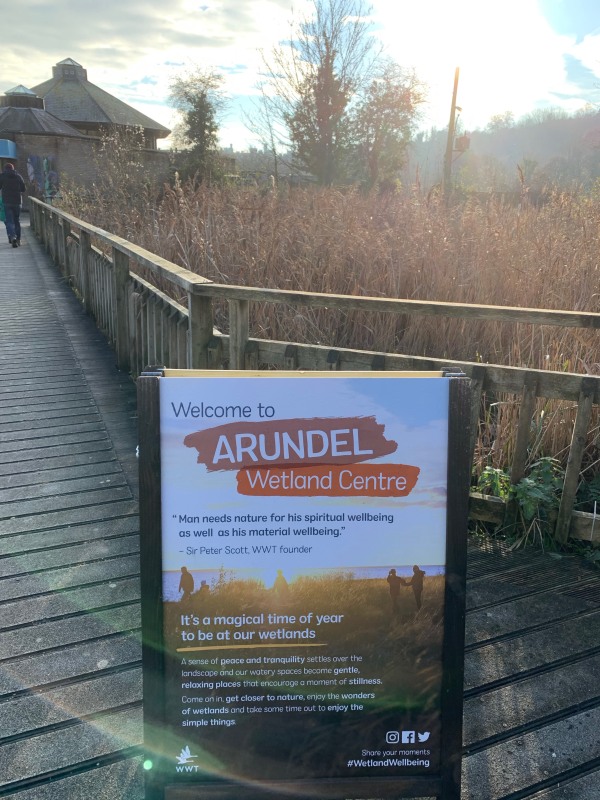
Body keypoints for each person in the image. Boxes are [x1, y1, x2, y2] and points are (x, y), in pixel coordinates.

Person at [0, 163, 26, 247]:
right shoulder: (18, 176)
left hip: (7, 201)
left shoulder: (2, 176)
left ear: (5, 169)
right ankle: (18, 239)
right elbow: (23, 189)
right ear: (13, 168)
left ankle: (12, 237)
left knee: (9, 221)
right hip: (17, 201)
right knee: (17, 220)